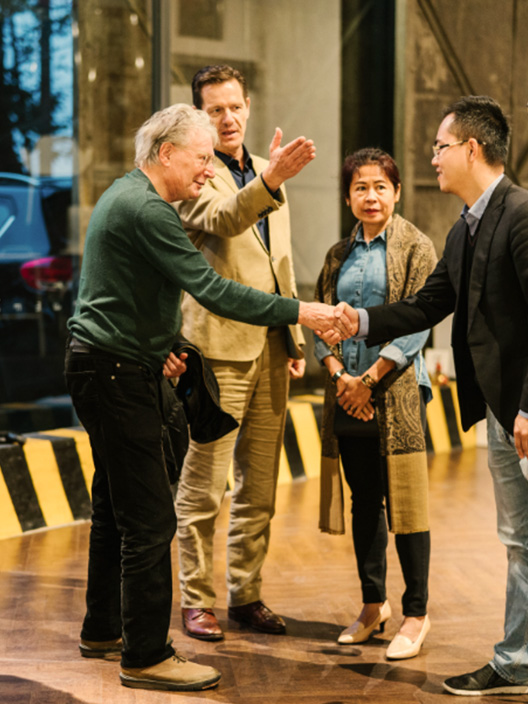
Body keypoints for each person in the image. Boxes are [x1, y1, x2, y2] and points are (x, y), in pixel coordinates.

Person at [65, 103, 352, 693]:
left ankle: (104, 629)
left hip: (105, 366)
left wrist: (163, 343)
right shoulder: (148, 208)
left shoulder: (127, 195)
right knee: (151, 521)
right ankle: (146, 656)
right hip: (116, 375)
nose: (207, 169)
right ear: (166, 152)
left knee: (116, 510)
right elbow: (212, 289)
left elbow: (126, 293)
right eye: (200, 158)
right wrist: (302, 311)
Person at [324, 96, 528, 696]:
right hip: (501, 411)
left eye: (440, 147)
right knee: (519, 539)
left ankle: (515, 658)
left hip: (521, 409)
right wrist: (358, 322)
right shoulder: (465, 227)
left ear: (471, 148)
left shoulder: (521, 214)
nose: (432, 158)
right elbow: (426, 305)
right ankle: (518, 660)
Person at [173, 64, 315, 641]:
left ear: (249, 107)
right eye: (215, 110)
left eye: (235, 106)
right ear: (198, 116)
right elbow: (227, 218)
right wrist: (272, 180)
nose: (228, 118)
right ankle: (196, 598)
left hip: (271, 347)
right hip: (217, 350)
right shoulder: (194, 176)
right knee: (204, 486)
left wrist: (295, 337)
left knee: (259, 487)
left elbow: (282, 262)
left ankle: (246, 593)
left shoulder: (264, 168)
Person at [314, 148, 437, 660]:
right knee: (364, 501)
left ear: (397, 192)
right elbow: (320, 322)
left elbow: (419, 321)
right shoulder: (336, 255)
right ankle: (372, 605)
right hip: (348, 394)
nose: (371, 196)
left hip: (397, 392)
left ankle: (416, 613)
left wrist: (369, 379)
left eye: (380, 186)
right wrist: (341, 377)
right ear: (348, 197)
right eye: (360, 187)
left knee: (406, 504)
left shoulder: (417, 247)